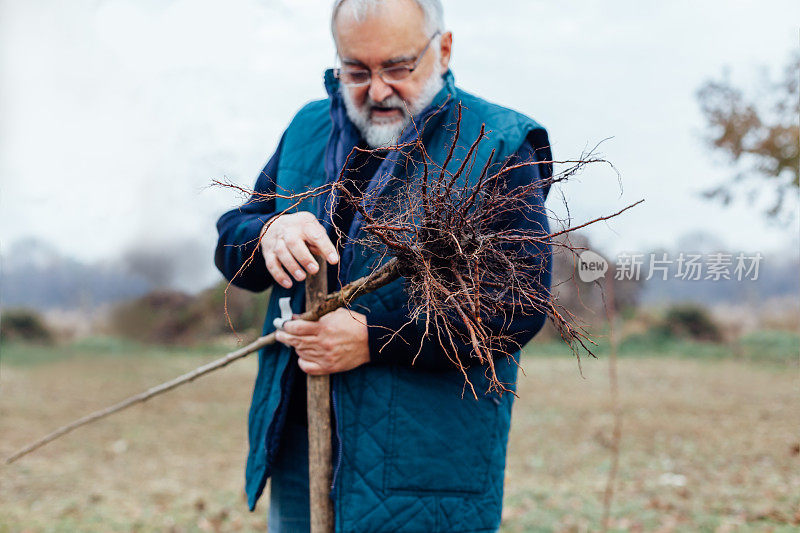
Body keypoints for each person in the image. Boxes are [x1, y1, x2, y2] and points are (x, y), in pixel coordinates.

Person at [214, 0, 553, 531]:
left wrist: (373, 338)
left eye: (397, 68)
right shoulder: (307, 129)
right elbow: (235, 248)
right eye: (356, 71)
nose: (376, 91)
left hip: (425, 468)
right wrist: (267, 233)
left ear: (442, 49)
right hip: (302, 446)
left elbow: (516, 305)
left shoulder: (497, 143)